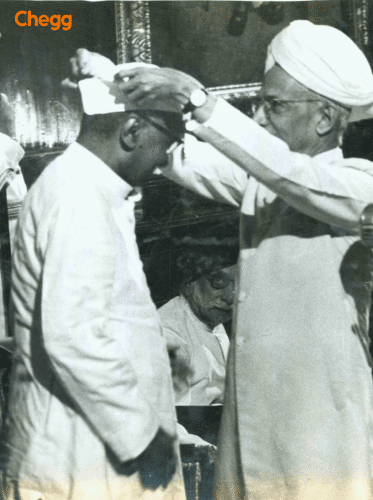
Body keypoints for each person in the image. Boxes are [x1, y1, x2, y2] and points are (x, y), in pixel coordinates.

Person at [114, 20, 373, 500]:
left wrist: (199, 101)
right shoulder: (265, 182)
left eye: (273, 105)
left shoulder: (359, 187)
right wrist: (128, 94)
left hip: (322, 438)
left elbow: (293, 176)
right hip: (251, 428)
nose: (258, 118)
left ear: (323, 118)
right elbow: (187, 159)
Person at [3, 49, 186, 500]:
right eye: (166, 146)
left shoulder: (91, 189)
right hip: (76, 460)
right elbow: (72, 335)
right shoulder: (77, 197)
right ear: (131, 131)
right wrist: (145, 438)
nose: (163, 162)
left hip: (89, 454)